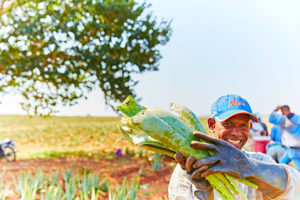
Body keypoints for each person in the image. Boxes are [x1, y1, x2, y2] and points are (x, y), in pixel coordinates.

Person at [168, 94, 300, 199]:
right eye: (228, 124)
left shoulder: (259, 160)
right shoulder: (189, 170)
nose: (236, 133)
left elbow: (295, 188)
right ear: (212, 125)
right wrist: (203, 191)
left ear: (250, 128)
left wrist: (250, 168)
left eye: (243, 125)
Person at [269, 105, 300, 170]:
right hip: (292, 149)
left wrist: (275, 110)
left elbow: (271, 119)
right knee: (281, 165)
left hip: (293, 150)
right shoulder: (297, 118)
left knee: (281, 167)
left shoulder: (284, 120)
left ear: (283, 111)